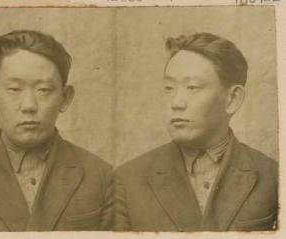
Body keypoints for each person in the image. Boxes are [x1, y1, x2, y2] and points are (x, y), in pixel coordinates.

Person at [0, 30, 113, 232]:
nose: (29, 105)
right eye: (15, 89)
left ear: (65, 98)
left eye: (43, 90)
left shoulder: (101, 177)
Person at [113, 32, 278, 231]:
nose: (176, 103)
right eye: (169, 88)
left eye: (192, 87)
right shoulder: (128, 179)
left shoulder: (273, 177)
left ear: (233, 99)